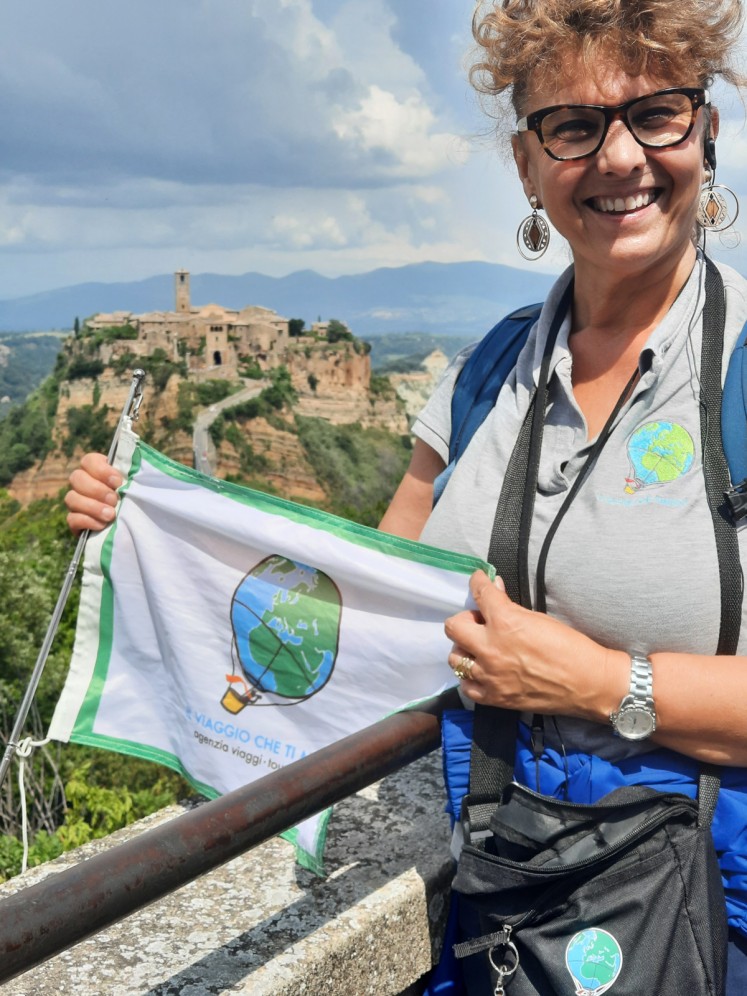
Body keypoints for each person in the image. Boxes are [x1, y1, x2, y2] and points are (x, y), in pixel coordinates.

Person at [65, 0, 747, 989]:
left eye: (656, 114)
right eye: (574, 125)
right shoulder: (491, 371)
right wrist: (158, 526)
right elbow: (360, 603)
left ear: (706, 130)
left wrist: (601, 684)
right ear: (527, 164)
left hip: (697, 917)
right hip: (503, 885)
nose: (618, 157)